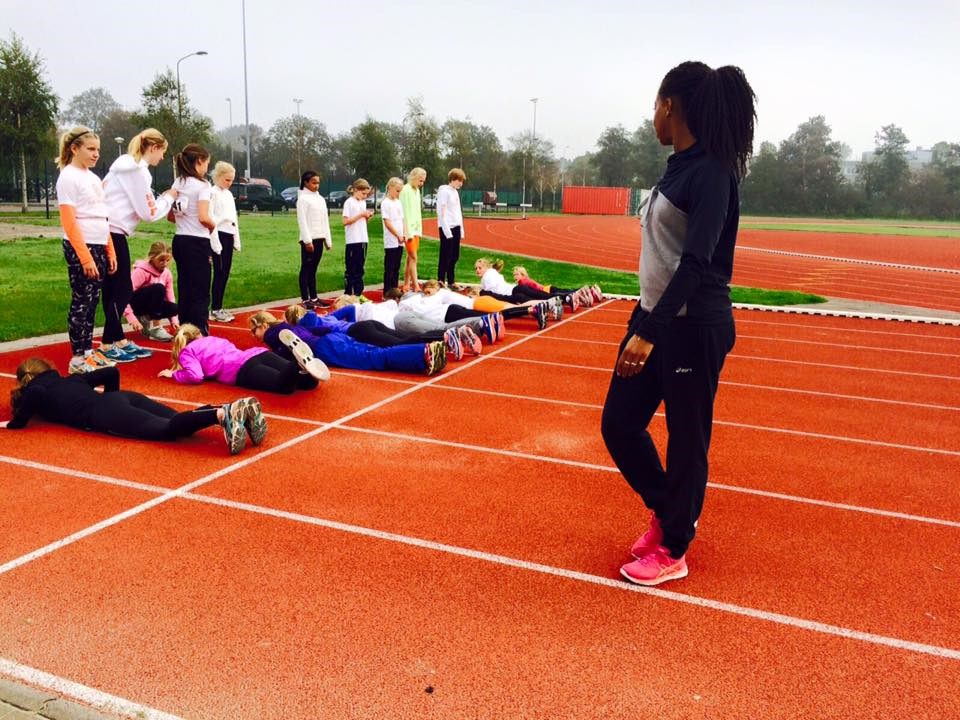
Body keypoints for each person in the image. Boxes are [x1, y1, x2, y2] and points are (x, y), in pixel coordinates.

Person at [601, 61, 756, 587]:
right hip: (654, 317)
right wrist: (642, 319)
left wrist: (650, 330)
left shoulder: (713, 172)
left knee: (686, 439)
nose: (652, 118)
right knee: (618, 424)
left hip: (693, 326)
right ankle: (673, 513)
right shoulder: (677, 166)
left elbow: (695, 264)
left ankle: (673, 548)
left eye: (655, 106)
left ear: (670, 106)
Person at [1, 358, 265, 456]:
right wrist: (112, 398)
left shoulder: (40, 390)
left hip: (105, 413)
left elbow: (34, 392)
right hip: (122, 399)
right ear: (49, 370)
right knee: (178, 419)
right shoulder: (73, 378)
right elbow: (111, 373)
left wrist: (15, 424)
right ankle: (229, 408)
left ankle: (222, 414)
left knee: (168, 431)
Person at [101, 128, 178, 362]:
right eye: (162, 152)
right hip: (112, 230)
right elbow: (148, 212)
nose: (162, 158)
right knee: (120, 290)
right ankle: (107, 343)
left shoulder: (124, 167)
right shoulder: (137, 170)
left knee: (114, 289)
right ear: (153, 148)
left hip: (110, 229)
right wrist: (169, 197)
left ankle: (118, 339)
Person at [54, 126, 118, 375]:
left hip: (99, 243)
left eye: (98, 150)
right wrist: (85, 257)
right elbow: (69, 221)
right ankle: (77, 358)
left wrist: (109, 250)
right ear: (74, 149)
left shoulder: (93, 178)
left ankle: (89, 351)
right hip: (81, 246)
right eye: (91, 149)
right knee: (81, 301)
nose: (96, 154)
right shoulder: (68, 177)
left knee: (93, 302)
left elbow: (103, 217)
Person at [249, 311, 447, 376]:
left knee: (374, 358)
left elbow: (287, 353)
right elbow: (319, 329)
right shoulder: (288, 326)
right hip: (331, 339)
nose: (253, 334)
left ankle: (422, 354)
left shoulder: (272, 335)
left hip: (324, 348)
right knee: (375, 350)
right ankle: (424, 351)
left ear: (264, 324)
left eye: (254, 329)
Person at [160, 323, 329, 392]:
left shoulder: (187, 351)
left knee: (283, 386)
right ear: (198, 334)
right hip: (258, 353)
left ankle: (297, 365)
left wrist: (174, 374)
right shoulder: (213, 338)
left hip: (241, 369)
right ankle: (305, 371)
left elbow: (196, 376)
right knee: (305, 385)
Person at [170, 144, 215, 335]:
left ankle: (184, 330)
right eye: (207, 164)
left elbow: (171, 216)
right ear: (199, 161)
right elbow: (204, 217)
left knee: (186, 288)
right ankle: (200, 333)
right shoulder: (203, 186)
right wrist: (213, 227)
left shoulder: (178, 183)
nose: (207, 169)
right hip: (197, 242)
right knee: (201, 290)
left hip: (180, 240)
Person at [123, 241, 179, 341]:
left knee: (174, 308)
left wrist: (174, 321)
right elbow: (124, 294)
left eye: (168, 260)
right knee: (158, 288)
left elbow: (170, 297)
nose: (165, 264)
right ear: (152, 257)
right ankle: (156, 328)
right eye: (161, 260)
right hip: (136, 303)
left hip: (151, 305)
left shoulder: (167, 274)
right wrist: (131, 317)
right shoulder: (140, 271)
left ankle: (146, 318)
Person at [208, 161, 241, 323]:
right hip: (217, 235)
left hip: (228, 234)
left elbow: (234, 218)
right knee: (219, 272)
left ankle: (219, 306)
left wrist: (236, 239)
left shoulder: (228, 195)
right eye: (227, 180)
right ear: (218, 177)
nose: (230, 183)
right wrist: (214, 243)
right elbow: (211, 218)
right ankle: (214, 308)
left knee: (225, 272)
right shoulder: (212, 193)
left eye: (232, 180)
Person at [296, 170, 332, 309]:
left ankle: (314, 297)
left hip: (319, 238)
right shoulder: (302, 199)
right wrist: (307, 241)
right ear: (306, 182)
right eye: (313, 182)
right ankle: (305, 299)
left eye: (318, 182)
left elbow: (325, 220)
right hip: (309, 240)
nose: (317, 185)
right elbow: (302, 221)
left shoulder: (320, 199)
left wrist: (327, 240)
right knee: (306, 269)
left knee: (313, 270)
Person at [512, 265, 604, 310]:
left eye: (517, 274)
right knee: (566, 291)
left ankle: (585, 291)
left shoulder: (522, 281)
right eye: (514, 274)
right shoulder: (527, 279)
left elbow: (535, 288)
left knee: (565, 293)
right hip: (547, 288)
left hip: (546, 291)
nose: (515, 276)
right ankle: (590, 290)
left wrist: (542, 292)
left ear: (522, 274)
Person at [342, 178, 374, 295]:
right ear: (355, 190)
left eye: (367, 194)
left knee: (360, 268)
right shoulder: (349, 202)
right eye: (363, 193)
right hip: (352, 240)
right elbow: (345, 221)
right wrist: (361, 214)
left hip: (363, 239)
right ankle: (348, 292)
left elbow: (363, 222)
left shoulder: (363, 203)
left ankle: (358, 293)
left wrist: (367, 217)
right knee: (351, 268)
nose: (365, 196)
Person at [436, 168, 466, 286]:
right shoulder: (444, 191)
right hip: (447, 227)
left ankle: (451, 280)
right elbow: (441, 212)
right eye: (460, 181)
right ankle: (441, 279)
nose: (461, 183)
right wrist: (447, 231)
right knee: (445, 255)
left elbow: (458, 211)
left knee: (455, 255)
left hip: (456, 226)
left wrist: (461, 229)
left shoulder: (455, 192)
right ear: (453, 179)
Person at [399, 167, 426, 292]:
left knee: (410, 258)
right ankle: (415, 286)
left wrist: (419, 230)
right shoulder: (405, 190)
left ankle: (406, 284)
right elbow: (404, 212)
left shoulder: (416, 191)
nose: (421, 183)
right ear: (413, 177)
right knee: (414, 257)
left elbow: (417, 212)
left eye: (423, 181)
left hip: (415, 229)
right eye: (420, 180)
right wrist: (407, 232)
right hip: (408, 230)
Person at [380, 177, 405, 293]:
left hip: (400, 239)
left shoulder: (398, 202)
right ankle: (387, 290)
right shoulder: (385, 203)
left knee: (397, 266)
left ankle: (394, 288)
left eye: (400, 191)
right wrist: (397, 235)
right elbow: (387, 222)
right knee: (389, 266)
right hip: (391, 240)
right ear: (390, 188)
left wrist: (403, 233)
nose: (399, 193)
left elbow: (402, 219)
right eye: (397, 191)